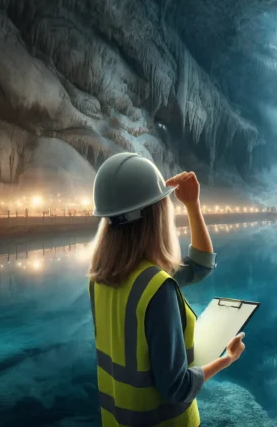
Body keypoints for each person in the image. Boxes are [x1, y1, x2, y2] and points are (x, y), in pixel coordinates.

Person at [87, 153, 244, 427]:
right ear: (156, 216)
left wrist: (193, 205)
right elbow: (178, 388)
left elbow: (199, 266)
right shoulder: (156, 288)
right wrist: (227, 359)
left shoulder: (101, 278)